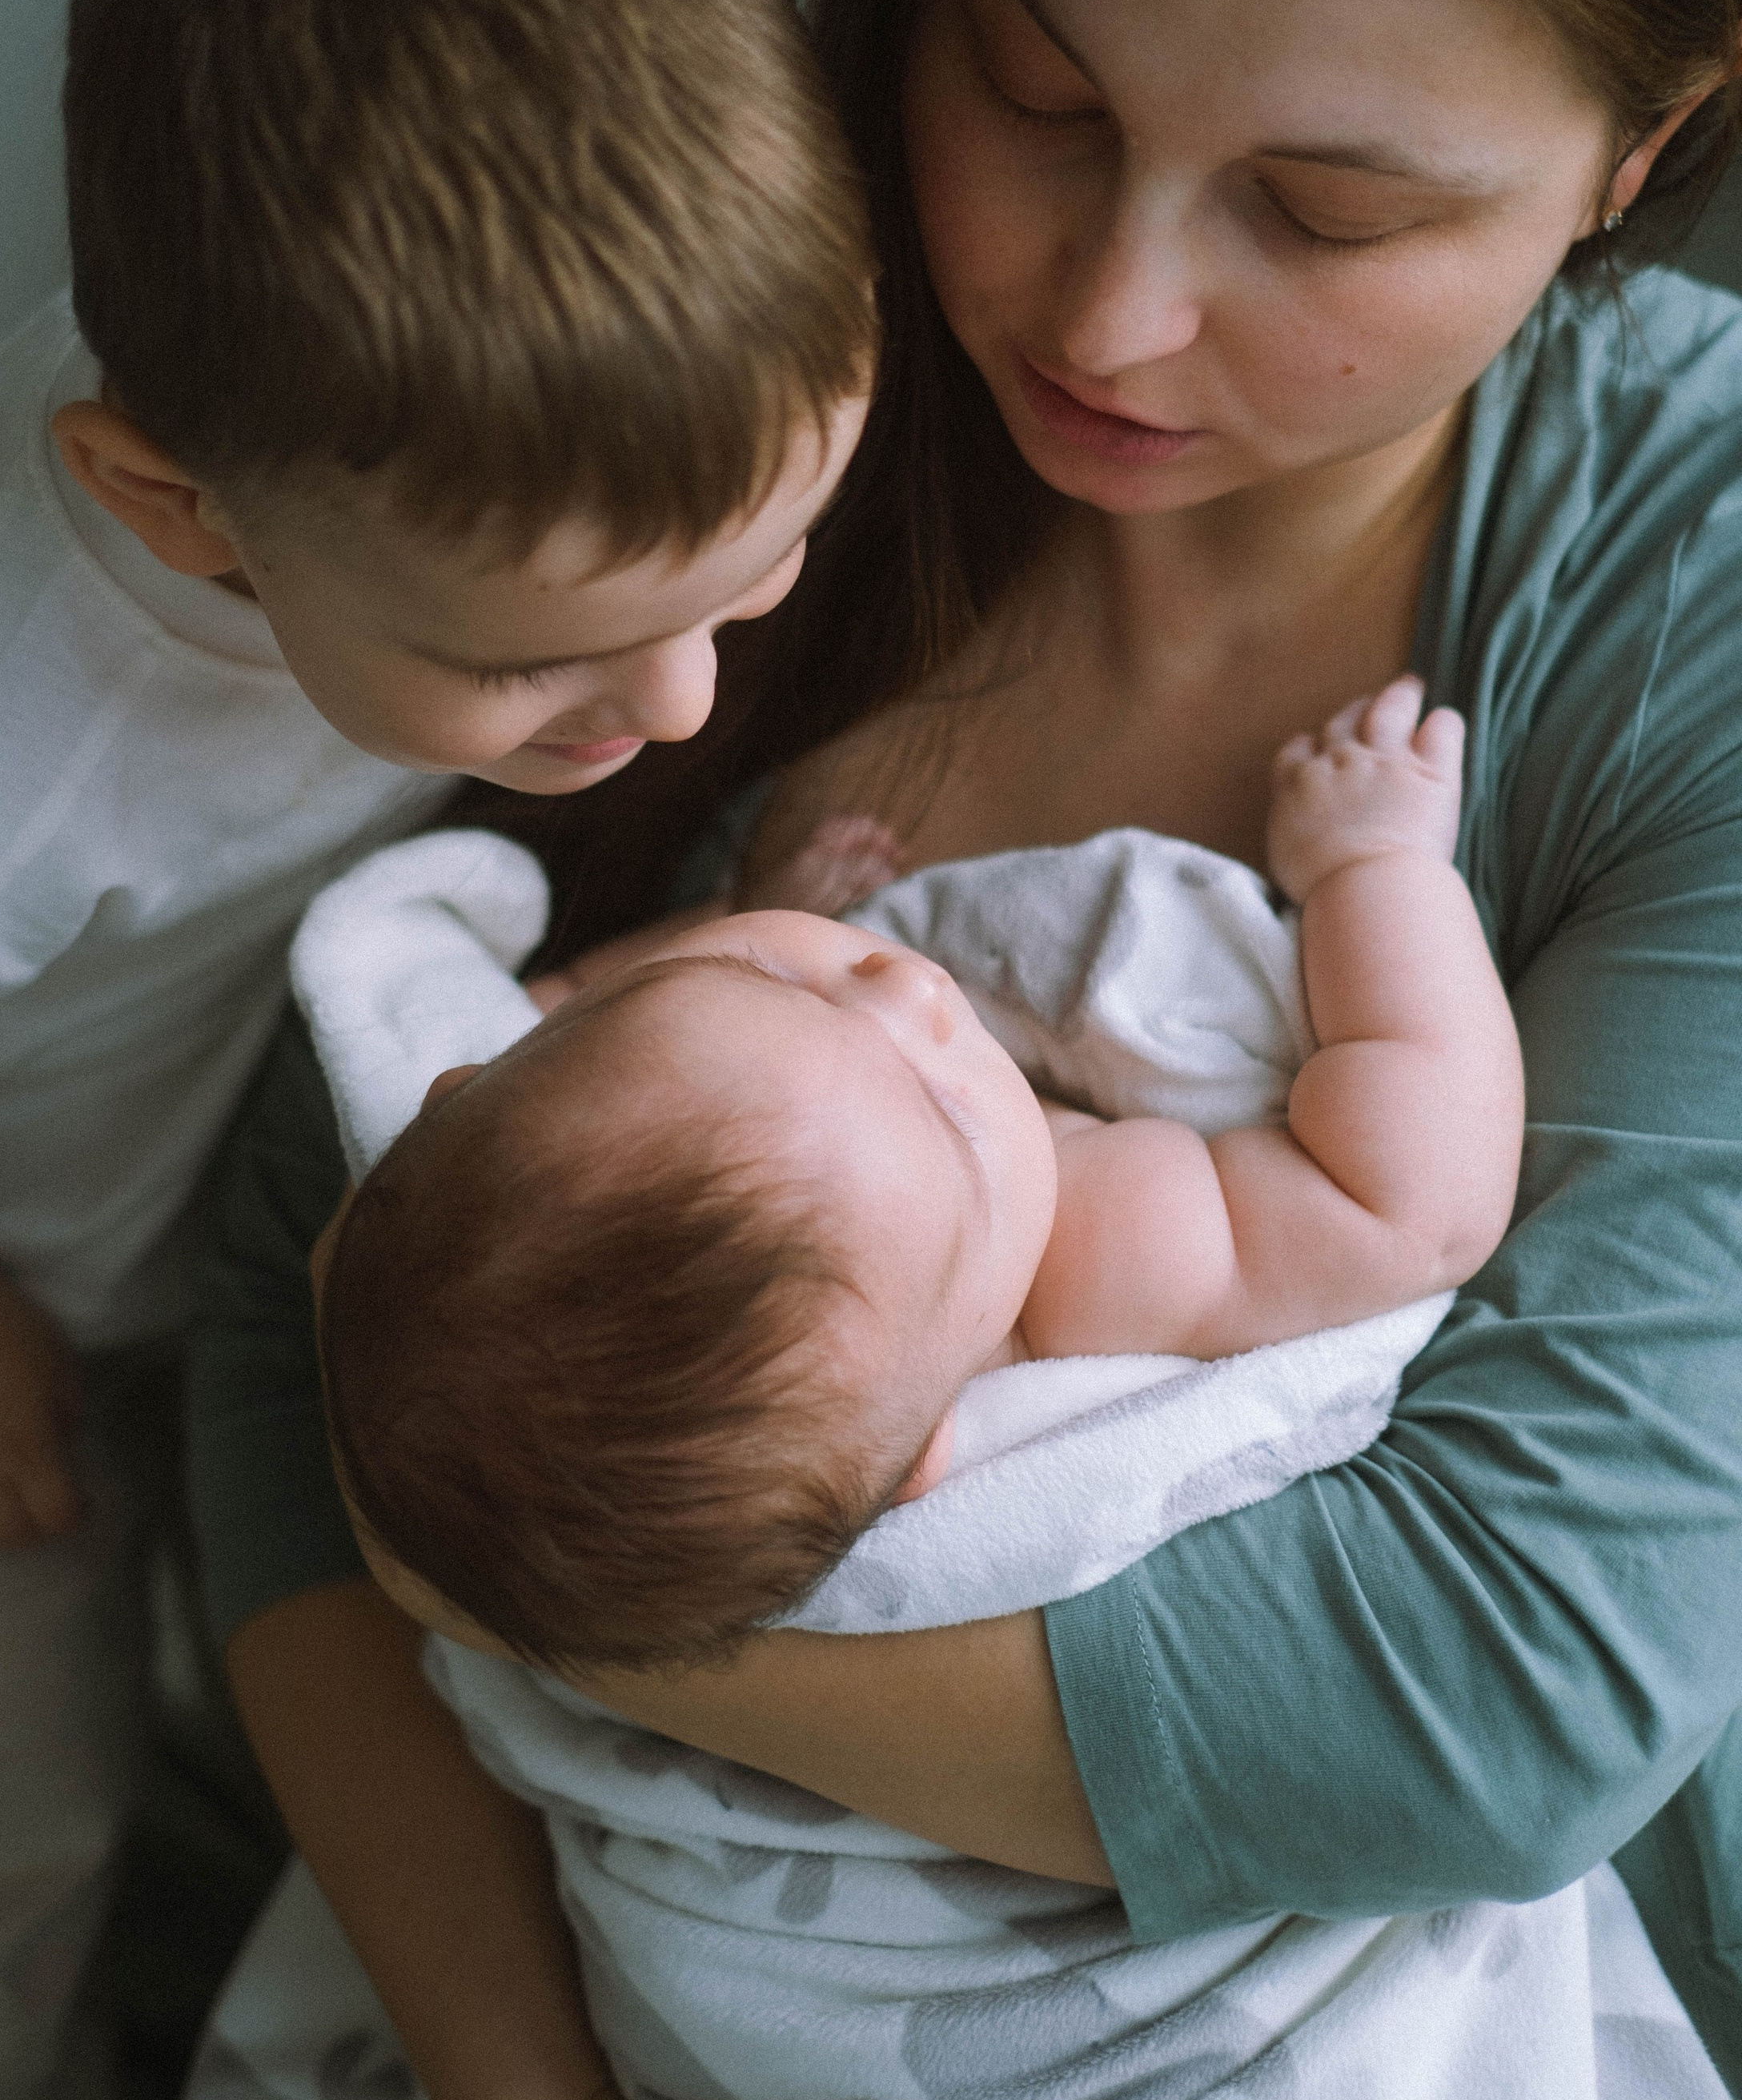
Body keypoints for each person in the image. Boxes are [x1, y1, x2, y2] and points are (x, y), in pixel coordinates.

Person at [174, 0, 1742, 2100]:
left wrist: (529, 1578)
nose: (1106, 313)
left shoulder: (1677, 606)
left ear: (1640, 155)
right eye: (1021, 81)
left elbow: (1503, 1697)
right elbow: (302, 1319)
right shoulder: (717, 338)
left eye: (1326, 207)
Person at [0, 0, 873, 2100]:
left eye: (753, 576)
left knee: (173, 1736)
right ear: (170, 507)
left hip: (153, 1216)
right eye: (544, 662)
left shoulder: (413, 474)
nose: (668, 705)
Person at [322, 677, 1520, 1674]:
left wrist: (757, 908)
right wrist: (1373, 869)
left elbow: (581, 1010)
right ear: (930, 1457)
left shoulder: (620, 1102)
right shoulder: (1084, 1259)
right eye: (948, 1119)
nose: (909, 990)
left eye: (767, 983)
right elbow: (1405, 1208)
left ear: (463, 1080)